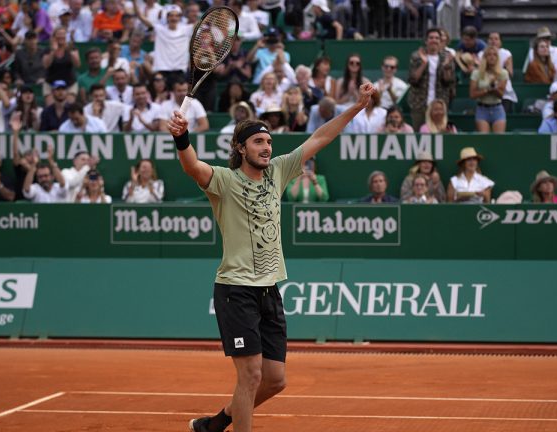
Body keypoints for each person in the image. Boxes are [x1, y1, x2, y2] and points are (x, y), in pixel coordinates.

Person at [172, 82, 376, 432]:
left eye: (268, 142)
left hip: (269, 288)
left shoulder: (279, 171)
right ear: (241, 147)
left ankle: (217, 423)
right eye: (258, 142)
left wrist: (356, 108)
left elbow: (320, 138)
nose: (267, 148)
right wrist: (181, 138)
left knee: (275, 380)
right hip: (236, 289)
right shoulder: (224, 181)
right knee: (250, 375)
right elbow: (191, 166)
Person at [408, 28, 456, 130]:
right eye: (431, 38)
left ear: (440, 41)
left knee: (440, 133)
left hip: (439, 104)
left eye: (437, 38)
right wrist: (424, 64)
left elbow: (448, 81)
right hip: (419, 103)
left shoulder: (446, 57)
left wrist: (446, 66)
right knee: (419, 134)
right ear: (426, 40)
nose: (434, 40)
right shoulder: (417, 56)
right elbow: (413, 80)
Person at [135, 1, 191, 85]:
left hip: (180, 70)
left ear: (180, 17)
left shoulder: (187, 29)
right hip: (162, 70)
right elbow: (140, 16)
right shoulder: (159, 29)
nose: (174, 18)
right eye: (171, 15)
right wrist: (134, 2)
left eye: (176, 15)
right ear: (167, 17)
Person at [470, 46, 508, 133]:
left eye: (494, 55)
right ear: (485, 57)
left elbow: (501, 95)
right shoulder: (477, 73)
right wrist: (487, 90)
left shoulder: (503, 73)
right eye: (489, 55)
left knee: (499, 139)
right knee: (484, 138)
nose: (492, 57)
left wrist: (494, 89)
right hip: (482, 108)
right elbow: (472, 94)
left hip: (497, 108)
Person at [42, 26, 81, 104]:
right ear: (54, 37)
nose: (61, 36)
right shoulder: (47, 50)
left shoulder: (72, 48)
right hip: (51, 83)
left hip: (69, 83)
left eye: (63, 34)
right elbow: (46, 65)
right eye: (59, 34)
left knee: (69, 106)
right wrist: (53, 51)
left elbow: (77, 64)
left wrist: (69, 51)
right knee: (51, 106)